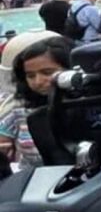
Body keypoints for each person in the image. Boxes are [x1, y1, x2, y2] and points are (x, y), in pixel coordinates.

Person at [0, 36, 71, 169]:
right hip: (34, 181)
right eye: (31, 75)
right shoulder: (18, 108)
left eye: (47, 72)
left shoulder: (89, 106)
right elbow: (3, 140)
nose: (38, 81)